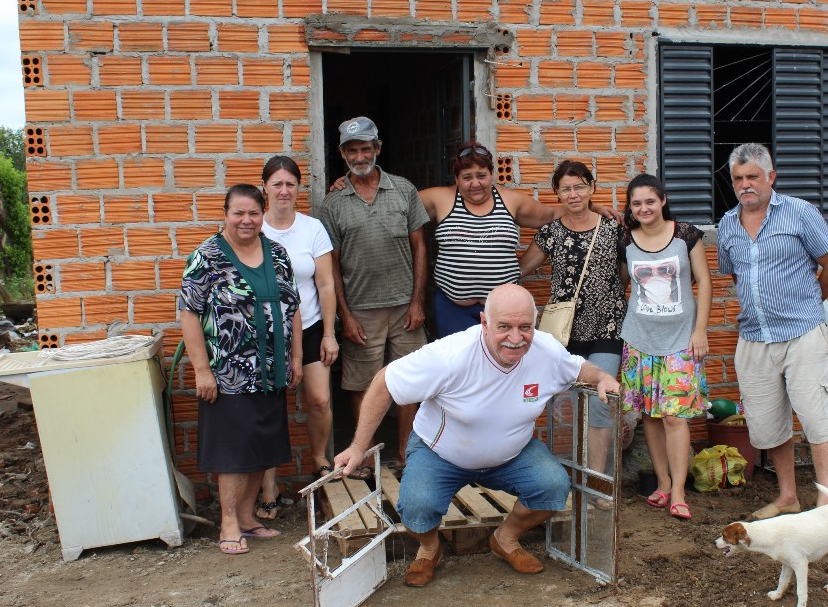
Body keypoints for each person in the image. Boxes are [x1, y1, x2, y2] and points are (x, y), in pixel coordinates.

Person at [333, 284, 620, 587]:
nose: (515, 337)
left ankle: (505, 539)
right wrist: (357, 446)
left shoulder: (545, 350)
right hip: (441, 453)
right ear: (483, 322)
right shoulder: (450, 355)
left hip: (513, 454)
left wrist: (601, 378)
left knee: (552, 488)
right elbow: (385, 383)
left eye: (525, 327)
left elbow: (577, 368)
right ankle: (430, 549)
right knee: (417, 508)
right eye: (504, 327)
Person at [330, 141, 618, 338]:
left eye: (482, 175)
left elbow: (550, 213)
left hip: (503, 311)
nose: (475, 183)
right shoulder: (438, 199)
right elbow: (390, 204)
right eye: (466, 177)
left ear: (492, 174)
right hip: (453, 307)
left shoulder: (511, 201)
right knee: (458, 374)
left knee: (503, 370)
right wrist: (351, 183)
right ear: (456, 179)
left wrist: (590, 206)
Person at [717, 142, 828, 520]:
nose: (745, 184)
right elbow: (736, 275)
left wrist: (810, 305)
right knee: (769, 423)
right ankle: (788, 496)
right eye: (738, 178)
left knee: (817, 417)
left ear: (771, 177)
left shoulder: (800, 213)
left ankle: (825, 505)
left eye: (753, 176)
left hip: (802, 333)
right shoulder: (728, 224)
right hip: (755, 337)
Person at [179, 184, 302, 555]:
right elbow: (188, 313)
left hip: (271, 371)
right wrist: (202, 370)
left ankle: (247, 518)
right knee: (233, 451)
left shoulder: (276, 253)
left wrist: (295, 359)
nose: (246, 220)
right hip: (229, 372)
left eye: (253, 213)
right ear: (225, 213)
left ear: (263, 214)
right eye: (238, 213)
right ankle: (228, 521)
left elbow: (293, 309)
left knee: (259, 447)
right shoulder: (208, 256)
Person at [321, 117, 429, 477]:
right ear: (342, 154)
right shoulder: (333, 203)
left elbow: (420, 247)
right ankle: (362, 455)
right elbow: (331, 265)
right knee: (362, 384)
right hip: (360, 311)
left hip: (404, 308)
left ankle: (406, 450)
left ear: (378, 148)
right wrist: (344, 316)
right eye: (352, 150)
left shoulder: (403, 190)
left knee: (409, 384)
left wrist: (417, 302)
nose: (359, 155)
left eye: (365, 148)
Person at [518, 160, 627, 484]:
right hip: (563, 333)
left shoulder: (613, 228)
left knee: (599, 403)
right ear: (557, 193)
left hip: (607, 327)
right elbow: (521, 269)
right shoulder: (550, 233)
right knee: (561, 408)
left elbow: (626, 273)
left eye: (579, 186)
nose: (573, 193)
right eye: (566, 188)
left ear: (592, 188)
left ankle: (596, 481)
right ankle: (562, 477)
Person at [619, 174, 712, 521]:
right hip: (639, 340)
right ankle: (661, 483)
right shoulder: (626, 240)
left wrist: (700, 330)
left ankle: (678, 491)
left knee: (674, 416)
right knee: (650, 417)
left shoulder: (685, 235)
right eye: (636, 203)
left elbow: (704, 280)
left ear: (662, 201)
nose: (644, 208)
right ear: (630, 208)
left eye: (650, 201)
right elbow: (622, 281)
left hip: (680, 341)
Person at [255, 156, 339, 520]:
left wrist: (331, 334)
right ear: (265, 189)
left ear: (299, 189)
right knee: (270, 409)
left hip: (312, 326)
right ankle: (268, 484)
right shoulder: (253, 228)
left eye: (291, 184)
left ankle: (320, 457)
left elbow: (325, 283)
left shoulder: (312, 228)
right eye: (277, 184)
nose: (285, 191)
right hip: (268, 332)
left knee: (319, 400)